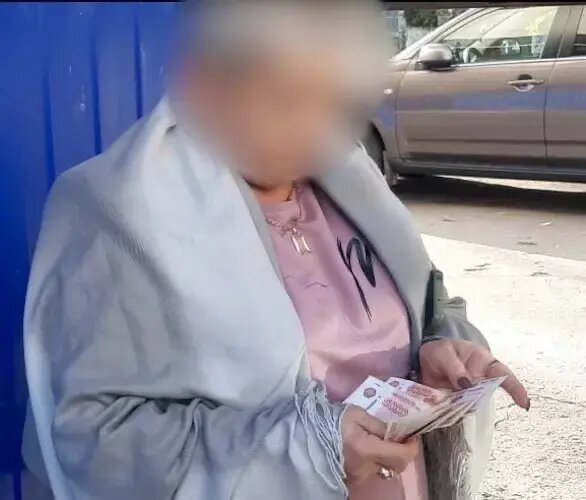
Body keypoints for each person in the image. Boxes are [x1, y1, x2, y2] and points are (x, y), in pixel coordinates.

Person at [22, 1, 530, 499]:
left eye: (332, 101)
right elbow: (93, 441)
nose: (314, 129)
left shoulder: (348, 177)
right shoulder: (119, 209)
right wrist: (308, 454)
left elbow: (428, 304)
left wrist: (440, 351)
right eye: (285, 98)